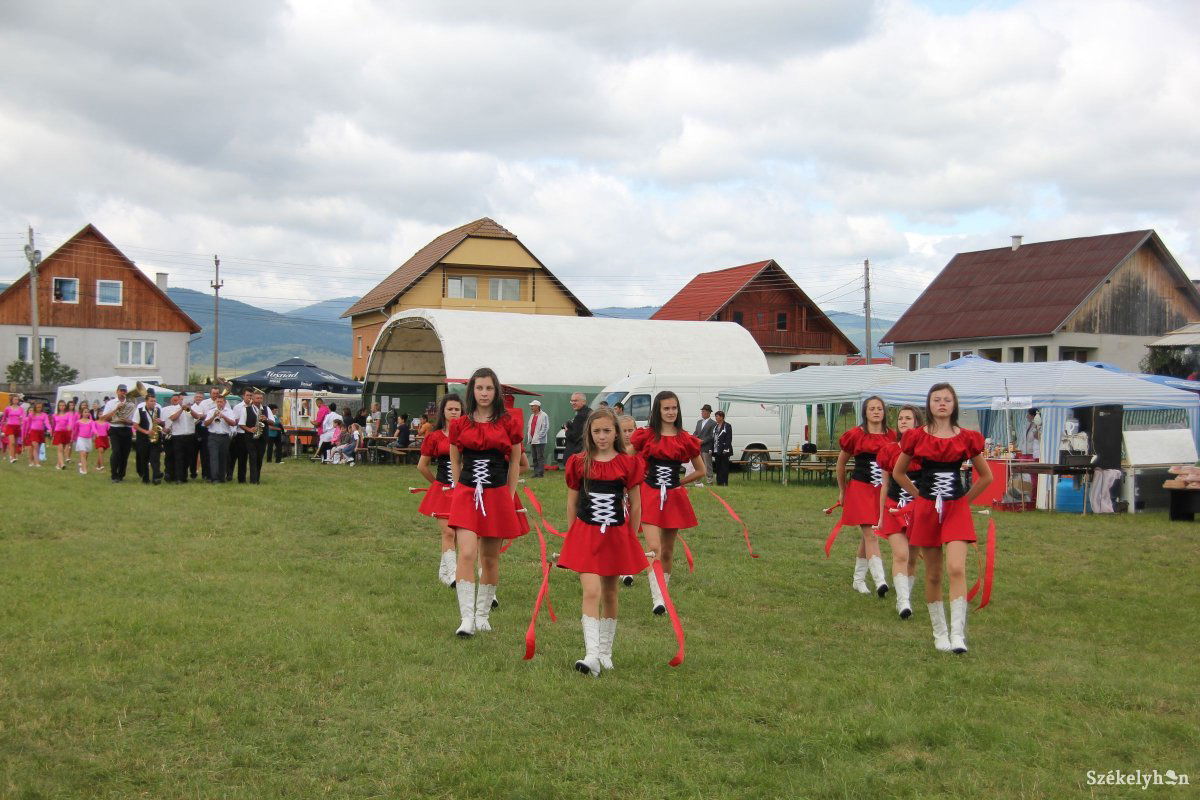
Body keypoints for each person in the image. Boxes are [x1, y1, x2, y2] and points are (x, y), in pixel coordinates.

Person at [893, 383, 992, 654]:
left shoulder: (967, 438)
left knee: (956, 568)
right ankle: (940, 633)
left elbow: (987, 477)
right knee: (934, 574)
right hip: (927, 510)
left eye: (947, 399)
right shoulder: (915, 437)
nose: (942, 404)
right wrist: (918, 497)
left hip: (956, 510)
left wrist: (963, 502)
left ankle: (958, 635)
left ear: (954, 404)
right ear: (929, 404)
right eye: (936, 399)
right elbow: (898, 473)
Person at [559, 408, 647, 676]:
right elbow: (572, 502)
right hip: (585, 534)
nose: (602, 436)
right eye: (596, 431)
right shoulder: (579, 462)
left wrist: (630, 536)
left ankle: (605, 652)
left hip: (616, 535)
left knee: (610, 592)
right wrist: (573, 535)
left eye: (607, 430)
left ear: (616, 433)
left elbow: (636, 504)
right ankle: (591, 654)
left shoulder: (628, 463)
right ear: (589, 433)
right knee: (591, 591)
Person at [447, 367, 525, 637]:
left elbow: (515, 462)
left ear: (496, 391)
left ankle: (482, 615)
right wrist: (460, 490)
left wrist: (509, 495)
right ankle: (466, 618)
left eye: (489, 388)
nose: (484, 393)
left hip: (497, 494)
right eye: (479, 388)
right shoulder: (459, 424)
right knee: (467, 553)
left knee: (490, 558)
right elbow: (455, 461)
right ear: (472, 390)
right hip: (467, 493)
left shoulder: (509, 422)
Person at [630, 391, 705, 615]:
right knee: (654, 548)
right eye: (666, 408)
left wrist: (679, 482)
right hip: (649, 494)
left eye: (674, 408)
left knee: (668, 551)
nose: (671, 412)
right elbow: (625, 457)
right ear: (658, 410)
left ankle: (663, 594)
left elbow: (701, 470)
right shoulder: (646, 436)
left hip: (673, 497)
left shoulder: (685, 438)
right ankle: (658, 599)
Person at [834, 396, 894, 597]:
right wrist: (842, 490)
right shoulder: (855, 435)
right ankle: (880, 580)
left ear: (884, 412)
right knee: (871, 533)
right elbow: (841, 464)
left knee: (866, 536)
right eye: (872, 409)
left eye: (879, 408)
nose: (876, 412)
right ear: (865, 412)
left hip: (882, 491)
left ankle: (858, 579)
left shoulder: (892, 436)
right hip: (860, 489)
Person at [874, 405, 924, 619]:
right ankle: (903, 602)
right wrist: (881, 515)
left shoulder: (926, 449)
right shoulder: (889, 450)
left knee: (912, 557)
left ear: (917, 422)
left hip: (918, 508)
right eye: (901, 418)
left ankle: (906, 595)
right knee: (901, 554)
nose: (903, 421)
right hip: (893, 507)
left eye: (908, 418)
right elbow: (885, 485)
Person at [417, 393, 463, 587]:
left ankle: (444, 572)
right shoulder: (434, 436)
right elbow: (422, 466)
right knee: (448, 532)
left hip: (464, 491)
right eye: (450, 409)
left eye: (457, 409)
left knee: (460, 534)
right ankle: (453, 574)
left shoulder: (468, 434)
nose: (453, 412)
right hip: (443, 489)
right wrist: (436, 484)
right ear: (443, 412)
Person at [132, 391, 166, 484]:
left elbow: (163, 424)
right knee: (144, 459)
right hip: (143, 439)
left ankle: (156, 478)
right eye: (151, 401)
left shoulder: (158, 410)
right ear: (146, 401)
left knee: (155, 459)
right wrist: (146, 432)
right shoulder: (140, 410)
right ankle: (145, 478)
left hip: (155, 438)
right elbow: (135, 425)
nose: (153, 403)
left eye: (154, 401)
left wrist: (161, 422)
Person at [164, 392, 197, 484]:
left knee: (187, 458)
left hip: (190, 435)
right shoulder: (174, 409)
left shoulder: (190, 408)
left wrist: (189, 409)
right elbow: (173, 418)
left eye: (184, 399)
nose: (183, 401)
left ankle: (184, 477)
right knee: (179, 457)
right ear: (178, 400)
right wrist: (181, 409)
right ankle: (178, 478)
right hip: (178, 436)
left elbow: (197, 416)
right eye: (181, 399)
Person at [203, 395, 237, 484]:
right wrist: (213, 416)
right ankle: (214, 478)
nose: (219, 403)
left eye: (221, 402)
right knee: (214, 457)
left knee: (223, 457)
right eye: (218, 402)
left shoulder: (229, 411)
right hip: (213, 436)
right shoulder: (211, 411)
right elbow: (205, 424)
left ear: (224, 402)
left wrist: (224, 416)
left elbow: (233, 423)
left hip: (225, 437)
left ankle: (221, 477)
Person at [23, 401, 51, 468]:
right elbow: (28, 425)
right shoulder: (31, 415)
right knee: (35, 447)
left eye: (40, 407)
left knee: (37, 448)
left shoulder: (44, 415)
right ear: (35, 407)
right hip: (33, 432)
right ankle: (36, 462)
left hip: (41, 433)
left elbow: (47, 422)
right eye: (37, 407)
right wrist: (26, 433)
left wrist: (50, 428)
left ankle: (33, 461)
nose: (39, 408)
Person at [693, 404, 716, 485]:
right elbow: (696, 432)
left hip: (706, 447)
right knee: (698, 465)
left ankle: (710, 480)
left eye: (703, 411)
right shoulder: (699, 422)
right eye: (702, 411)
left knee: (707, 464)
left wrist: (702, 441)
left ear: (708, 413)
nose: (702, 413)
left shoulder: (713, 423)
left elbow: (711, 436)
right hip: (698, 447)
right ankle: (697, 480)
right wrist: (693, 438)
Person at [563, 392, 589, 461]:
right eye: (572, 401)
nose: (573, 403)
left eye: (576, 401)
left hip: (578, 454)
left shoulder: (581, 416)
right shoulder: (589, 412)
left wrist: (567, 431)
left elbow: (574, 436)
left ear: (584, 402)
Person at [527, 399, 550, 477]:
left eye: (533, 406)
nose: (531, 407)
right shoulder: (532, 416)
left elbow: (545, 427)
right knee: (534, 457)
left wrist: (539, 437)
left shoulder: (544, 415)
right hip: (532, 440)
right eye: (531, 406)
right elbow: (529, 426)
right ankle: (536, 473)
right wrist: (530, 437)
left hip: (540, 441)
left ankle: (540, 473)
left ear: (537, 407)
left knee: (540, 457)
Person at [712, 410, 733, 486]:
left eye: (717, 416)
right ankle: (719, 482)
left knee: (724, 467)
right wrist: (712, 448)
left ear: (721, 417)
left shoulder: (727, 426)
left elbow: (729, 438)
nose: (716, 418)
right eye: (715, 416)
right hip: (717, 450)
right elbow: (714, 438)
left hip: (724, 450)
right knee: (718, 467)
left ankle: (725, 482)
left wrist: (726, 449)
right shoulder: (716, 426)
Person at [74, 403, 96, 476]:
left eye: (88, 412)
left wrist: (95, 433)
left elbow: (93, 428)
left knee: (86, 454)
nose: (87, 413)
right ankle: (84, 470)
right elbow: (75, 430)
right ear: (82, 413)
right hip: (81, 439)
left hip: (88, 440)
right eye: (85, 412)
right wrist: (73, 438)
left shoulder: (91, 422)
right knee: (83, 453)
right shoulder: (78, 422)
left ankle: (82, 466)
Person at [52, 400, 74, 470]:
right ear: (58, 406)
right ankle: (62, 464)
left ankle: (58, 464)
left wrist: (69, 426)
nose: (62, 407)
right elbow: (53, 425)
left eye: (63, 405)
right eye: (60, 405)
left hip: (66, 433)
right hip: (58, 432)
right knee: (60, 448)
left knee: (64, 449)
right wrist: (52, 433)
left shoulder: (68, 414)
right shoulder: (55, 415)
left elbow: (70, 422)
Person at [3, 394, 25, 463]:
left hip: (17, 427)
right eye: (15, 399)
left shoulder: (21, 409)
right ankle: (11, 457)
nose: (16, 400)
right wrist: (4, 424)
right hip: (10, 426)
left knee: (15, 443)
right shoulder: (8, 408)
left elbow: (23, 417)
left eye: (17, 399)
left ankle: (14, 456)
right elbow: (4, 417)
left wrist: (22, 422)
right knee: (12, 442)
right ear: (12, 400)